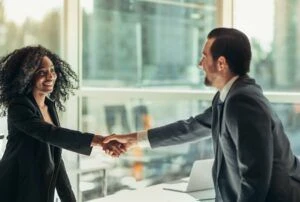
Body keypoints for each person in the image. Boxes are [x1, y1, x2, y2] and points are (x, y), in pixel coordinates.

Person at [103, 27, 300, 202]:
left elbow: (255, 178)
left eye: (204, 56)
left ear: (221, 63)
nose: (200, 64)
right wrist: (132, 140)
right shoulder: (228, 97)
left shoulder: (243, 102)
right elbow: (190, 128)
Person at [0, 45, 123, 202]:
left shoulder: (49, 106)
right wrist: (99, 140)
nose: (50, 76)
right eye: (42, 73)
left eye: (52, 70)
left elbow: (56, 158)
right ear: (27, 76)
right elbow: (50, 134)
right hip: (14, 188)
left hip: (39, 188)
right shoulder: (18, 106)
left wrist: (69, 199)